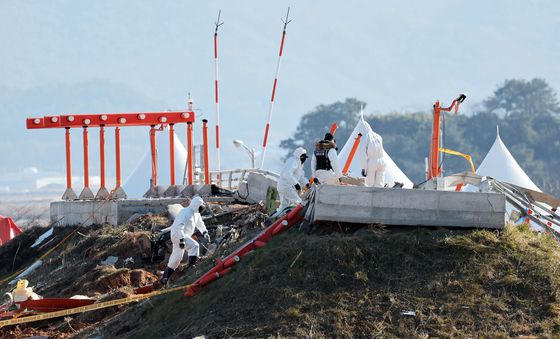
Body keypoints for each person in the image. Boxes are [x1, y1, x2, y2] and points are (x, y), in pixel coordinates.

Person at [159, 196, 210, 286]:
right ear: (195, 205)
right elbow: (180, 226)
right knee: (194, 246)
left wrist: (205, 232)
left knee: (177, 257)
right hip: (178, 234)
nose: (201, 208)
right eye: (200, 206)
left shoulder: (196, 214)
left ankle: (165, 278)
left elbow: (200, 224)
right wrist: (182, 239)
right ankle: (191, 266)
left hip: (183, 235)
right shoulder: (185, 212)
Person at [277, 147, 309, 212]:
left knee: (284, 207)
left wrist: (307, 183)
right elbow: (287, 174)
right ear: (299, 156)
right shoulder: (293, 161)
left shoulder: (299, 164)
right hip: (286, 187)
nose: (304, 159)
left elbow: (301, 177)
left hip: (284, 187)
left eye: (305, 157)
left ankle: (275, 219)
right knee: (299, 203)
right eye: (303, 157)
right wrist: (296, 184)